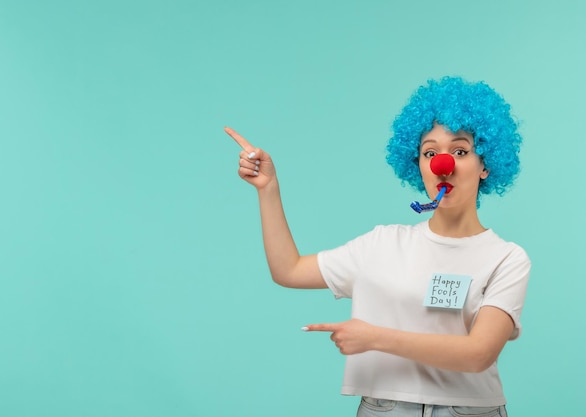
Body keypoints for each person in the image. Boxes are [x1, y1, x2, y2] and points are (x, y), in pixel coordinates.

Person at [224, 76, 530, 417]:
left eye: (460, 151)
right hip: (384, 410)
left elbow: (478, 354)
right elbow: (289, 270)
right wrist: (268, 189)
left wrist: (373, 337)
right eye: (430, 152)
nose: (443, 164)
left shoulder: (507, 258)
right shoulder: (382, 243)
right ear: (417, 165)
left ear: (485, 164)